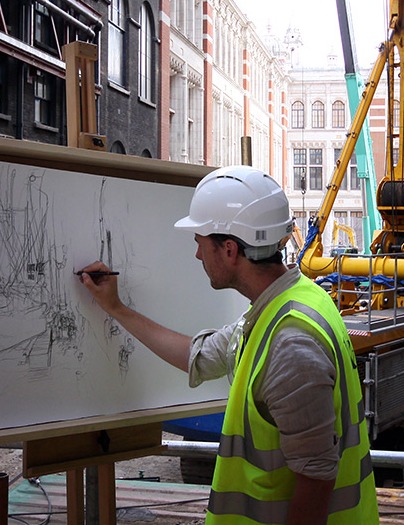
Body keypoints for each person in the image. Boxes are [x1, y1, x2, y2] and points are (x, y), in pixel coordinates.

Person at [78, 165, 378, 524]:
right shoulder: (290, 302)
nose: (197, 256)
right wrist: (115, 308)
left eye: (200, 245)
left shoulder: (289, 344)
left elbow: (316, 477)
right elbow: (199, 356)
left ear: (230, 249)